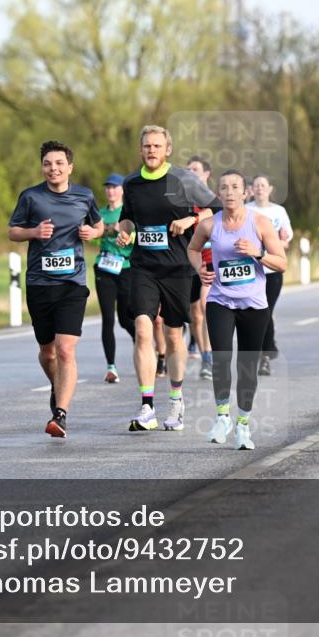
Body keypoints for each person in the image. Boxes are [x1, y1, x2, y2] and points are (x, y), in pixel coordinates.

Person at [115, 125, 216, 431]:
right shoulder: (131, 183)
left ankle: (175, 399)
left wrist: (191, 219)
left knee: (173, 336)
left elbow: (215, 209)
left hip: (177, 268)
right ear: (140, 149)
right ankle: (147, 407)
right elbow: (127, 218)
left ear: (167, 150)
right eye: (147, 146)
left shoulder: (183, 179)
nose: (152, 150)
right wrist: (124, 232)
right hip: (143, 266)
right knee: (143, 329)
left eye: (157, 146)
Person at [9, 140, 102, 437]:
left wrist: (92, 232)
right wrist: (34, 232)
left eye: (59, 163)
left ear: (70, 167)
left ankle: (60, 414)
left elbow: (99, 225)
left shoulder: (84, 196)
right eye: (48, 164)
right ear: (42, 167)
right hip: (39, 283)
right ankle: (58, 385)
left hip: (72, 283)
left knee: (65, 349)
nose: (54, 169)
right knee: (47, 353)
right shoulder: (31, 197)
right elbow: (12, 231)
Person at [188, 170, 287, 450]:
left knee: (247, 367)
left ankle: (243, 425)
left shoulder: (260, 223)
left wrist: (258, 253)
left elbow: (281, 263)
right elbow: (193, 249)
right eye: (224, 187)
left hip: (254, 305)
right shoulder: (209, 224)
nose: (230, 192)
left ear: (245, 193)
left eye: (235, 187)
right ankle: (222, 417)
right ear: (218, 194)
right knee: (220, 358)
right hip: (220, 301)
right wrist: (200, 269)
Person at [246, 174, 293, 375]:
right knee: (254, 312)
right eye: (256, 185)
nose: (260, 189)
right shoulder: (246, 210)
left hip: (272, 269)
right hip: (251, 270)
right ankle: (264, 349)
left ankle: (265, 355)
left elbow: (286, 239)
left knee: (265, 311)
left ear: (270, 189)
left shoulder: (278, 211)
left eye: (263, 185)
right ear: (251, 189)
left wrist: (274, 243)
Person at [94, 173, 135, 384]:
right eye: (108, 187)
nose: (111, 191)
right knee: (108, 318)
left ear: (122, 190)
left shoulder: (128, 212)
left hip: (125, 268)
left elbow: (136, 238)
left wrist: (124, 234)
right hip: (104, 268)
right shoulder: (99, 214)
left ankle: (143, 344)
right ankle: (111, 367)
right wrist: (104, 231)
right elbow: (93, 237)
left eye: (115, 187)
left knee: (126, 318)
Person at [186, 155, 218, 380]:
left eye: (195, 170)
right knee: (195, 315)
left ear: (207, 174)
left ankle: (209, 357)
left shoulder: (215, 200)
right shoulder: (183, 201)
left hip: (210, 261)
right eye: (188, 170)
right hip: (189, 263)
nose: (191, 174)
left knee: (206, 307)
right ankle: (204, 353)